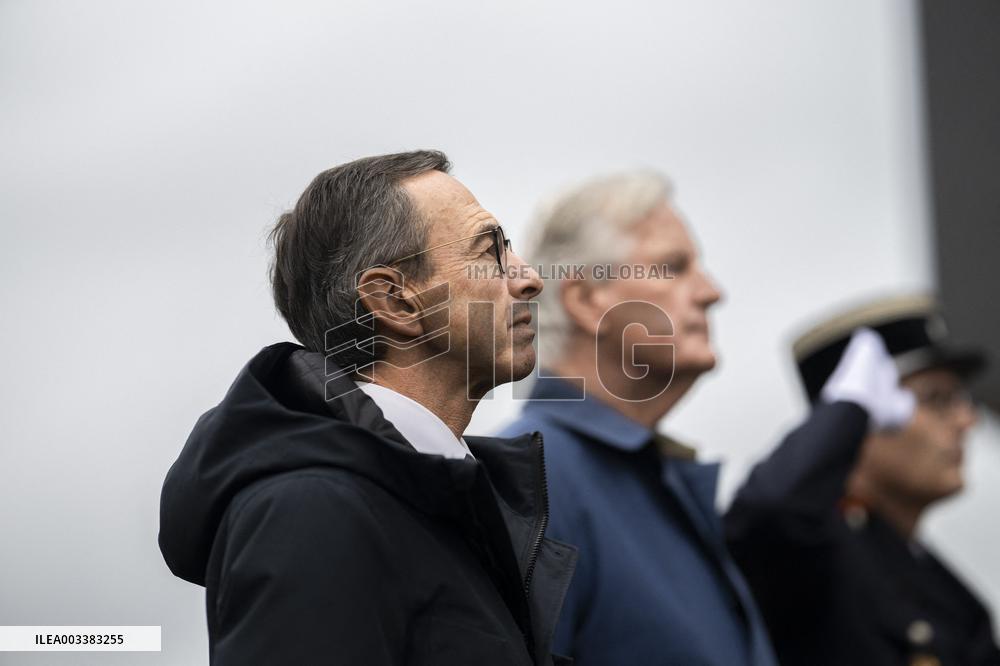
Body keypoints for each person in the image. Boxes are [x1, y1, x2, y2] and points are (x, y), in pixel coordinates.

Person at [158, 150, 578, 665]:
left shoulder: (433, 502)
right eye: (489, 252)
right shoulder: (311, 512)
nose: (529, 278)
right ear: (397, 302)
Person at [498, 170, 778, 665]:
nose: (711, 292)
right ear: (585, 301)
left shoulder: (644, 479)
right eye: (674, 267)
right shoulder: (530, 478)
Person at [726, 294, 1000, 666]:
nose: (966, 420)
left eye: (962, 398)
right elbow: (768, 511)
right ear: (862, 424)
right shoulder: (809, 556)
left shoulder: (952, 595)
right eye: (937, 399)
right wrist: (849, 407)